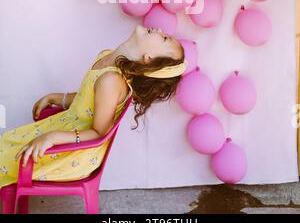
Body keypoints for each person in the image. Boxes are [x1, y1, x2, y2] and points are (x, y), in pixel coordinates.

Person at [0, 25, 187, 188]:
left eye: (164, 38)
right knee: (5, 142)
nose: (160, 30)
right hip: (66, 128)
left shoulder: (111, 81)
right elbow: (87, 99)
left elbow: (99, 133)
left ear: (148, 58)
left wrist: (52, 137)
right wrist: (59, 98)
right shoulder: (106, 56)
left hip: (75, 152)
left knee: (6, 157)